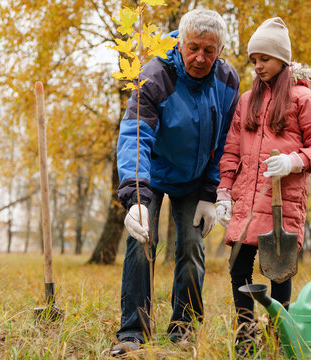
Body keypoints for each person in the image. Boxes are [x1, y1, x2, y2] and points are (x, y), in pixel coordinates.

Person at [111, 9, 240, 356]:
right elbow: (136, 135)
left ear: (221, 49)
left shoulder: (228, 81)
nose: (200, 57)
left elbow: (227, 140)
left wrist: (211, 193)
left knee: (192, 248)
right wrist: (136, 195)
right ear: (180, 43)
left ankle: (184, 329)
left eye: (209, 50)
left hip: (196, 180)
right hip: (150, 174)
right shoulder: (155, 76)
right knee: (141, 243)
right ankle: (133, 333)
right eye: (193, 47)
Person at [215, 17, 311, 353]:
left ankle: (278, 337)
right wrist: (224, 191)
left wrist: (295, 161)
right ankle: (245, 334)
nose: (257, 67)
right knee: (238, 266)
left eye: (264, 59)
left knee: (279, 271)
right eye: (253, 60)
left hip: (283, 203)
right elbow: (230, 151)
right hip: (246, 201)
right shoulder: (246, 100)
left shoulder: (302, 99)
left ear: (282, 59)